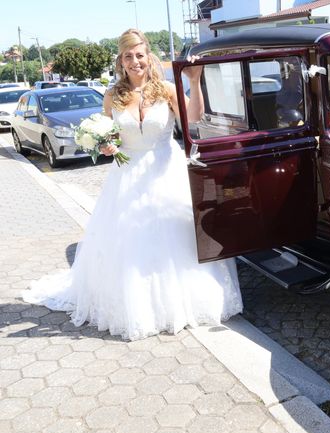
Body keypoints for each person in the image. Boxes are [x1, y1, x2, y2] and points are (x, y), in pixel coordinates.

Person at [23, 29, 243, 340]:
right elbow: (108, 134)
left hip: (166, 173)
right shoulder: (113, 95)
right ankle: (137, 306)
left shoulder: (166, 90)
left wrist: (194, 82)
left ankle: (180, 302)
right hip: (127, 178)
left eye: (139, 55)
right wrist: (106, 146)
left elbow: (194, 117)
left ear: (148, 56)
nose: (135, 61)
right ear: (121, 61)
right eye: (128, 56)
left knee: (175, 238)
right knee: (130, 241)